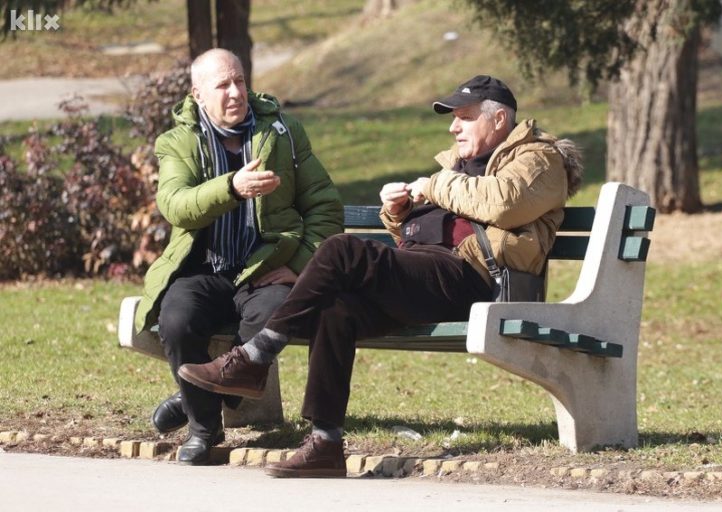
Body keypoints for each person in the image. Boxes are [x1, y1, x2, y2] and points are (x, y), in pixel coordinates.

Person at [177, 75, 583, 476]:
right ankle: (325, 443)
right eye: (453, 118)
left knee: (340, 248)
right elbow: (432, 224)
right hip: (426, 273)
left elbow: (504, 204)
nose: (453, 127)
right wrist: (399, 212)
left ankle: (255, 356)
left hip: (473, 279)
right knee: (338, 308)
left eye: (464, 117)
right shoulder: (458, 165)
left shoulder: (539, 159)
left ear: (499, 119)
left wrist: (435, 185)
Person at [133, 48, 344, 465]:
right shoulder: (178, 142)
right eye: (222, 85)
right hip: (204, 269)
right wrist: (232, 187)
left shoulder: (282, 132)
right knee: (177, 319)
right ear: (198, 95)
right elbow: (175, 205)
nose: (235, 93)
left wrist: (298, 264)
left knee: (275, 312)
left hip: (266, 267)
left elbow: (325, 206)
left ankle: (198, 396)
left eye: (240, 81)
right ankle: (204, 429)